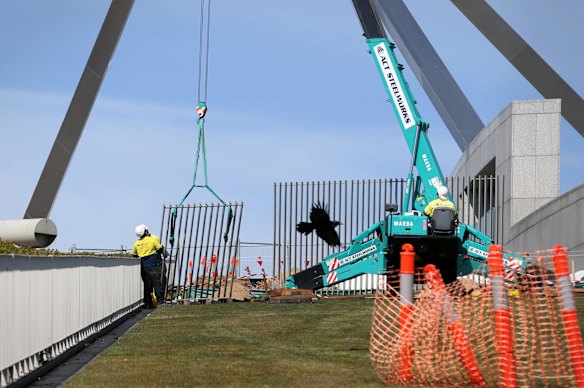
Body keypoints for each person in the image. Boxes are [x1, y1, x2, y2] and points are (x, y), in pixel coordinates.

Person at [132, 224, 166, 309]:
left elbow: (134, 255)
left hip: (144, 266)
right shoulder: (152, 240)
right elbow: (160, 249)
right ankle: (160, 302)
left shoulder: (136, 243)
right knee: (157, 283)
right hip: (154, 264)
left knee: (147, 285)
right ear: (145, 231)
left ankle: (148, 303)